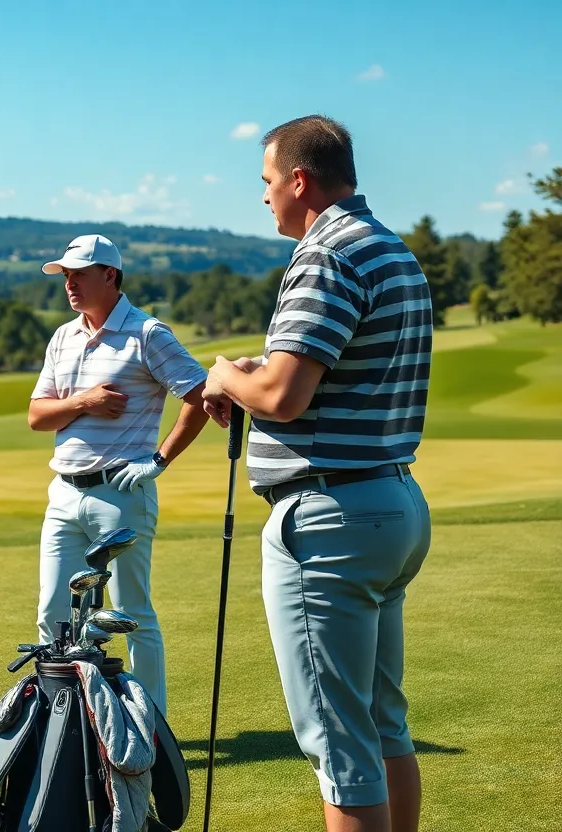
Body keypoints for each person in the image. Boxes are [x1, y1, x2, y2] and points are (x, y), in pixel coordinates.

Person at [202, 115, 433, 832]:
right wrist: (259, 372)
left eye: (268, 182)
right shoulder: (392, 251)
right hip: (392, 502)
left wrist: (225, 374)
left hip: (329, 520)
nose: (265, 197)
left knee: (340, 748)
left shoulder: (325, 253)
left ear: (299, 180)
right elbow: (312, 376)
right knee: (382, 725)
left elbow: (282, 395)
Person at [28, 233, 210, 713]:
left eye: (79, 274)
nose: (69, 284)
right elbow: (37, 415)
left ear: (110, 275)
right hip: (64, 492)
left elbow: (200, 397)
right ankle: (63, 718)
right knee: (53, 613)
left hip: (121, 495)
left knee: (131, 615)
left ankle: (150, 723)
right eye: (65, 276)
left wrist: (159, 460)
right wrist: (85, 401)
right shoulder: (63, 337)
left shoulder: (148, 334)